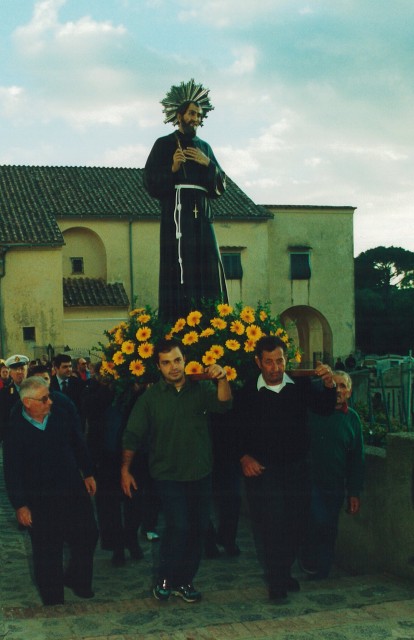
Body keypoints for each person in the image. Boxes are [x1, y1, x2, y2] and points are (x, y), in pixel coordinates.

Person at [121, 338, 232, 603]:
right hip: (167, 475)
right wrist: (125, 470)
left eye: (177, 360)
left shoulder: (201, 389)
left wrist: (223, 378)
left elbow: (224, 404)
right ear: (158, 366)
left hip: (200, 473)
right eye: (166, 362)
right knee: (179, 526)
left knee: (197, 528)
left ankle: (184, 581)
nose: (174, 367)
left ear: (184, 360)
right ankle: (165, 578)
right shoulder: (150, 398)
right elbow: (132, 435)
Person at [238, 335, 337, 602]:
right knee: (271, 525)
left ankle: (282, 570)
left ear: (286, 360)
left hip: (297, 469)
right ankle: (277, 580)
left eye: (279, 361)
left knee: (297, 523)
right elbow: (231, 432)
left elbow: (325, 408)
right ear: (258, 362)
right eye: (268, 362)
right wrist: (244, 457)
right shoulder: (247, 392)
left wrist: (329, 386)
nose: (275, 368)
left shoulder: (301, 386)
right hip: (264, 472)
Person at [3, 376, 98, 605]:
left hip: (72, 490)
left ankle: (79, 580)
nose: (50, 402)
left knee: (88, 535)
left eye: (49, 396)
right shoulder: (15, 430)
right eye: (44, 399)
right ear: (28, 403)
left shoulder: (61, 417)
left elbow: (78, 444)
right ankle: (53, 597)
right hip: (40, 500)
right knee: (47, 549)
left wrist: (88, 472)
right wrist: (20, 505)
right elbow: (12, 471)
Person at [144, 79, 228, 322]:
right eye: (192, 113)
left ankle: (213, 320)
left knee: (209, 263)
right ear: (179, 115)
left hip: (201, 214)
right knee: (179, 267)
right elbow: (150, 181)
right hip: (176, 216)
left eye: (199, 115)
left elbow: (221, 184)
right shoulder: (163, 144)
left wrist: (207, 163)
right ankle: (178, 322)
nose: (196, 119)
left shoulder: (205, 148)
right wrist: (172, 167)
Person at [300, 371, 364, 579]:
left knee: (329, 527)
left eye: (343, 386)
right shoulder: (314, 412)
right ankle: (308, 559)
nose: (339, 390)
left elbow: (356, 458)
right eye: (335, 385)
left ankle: (322, 570)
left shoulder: (352, 419)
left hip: (336, 484)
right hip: (311, 482)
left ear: (350, 392)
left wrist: (354, 492)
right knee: (317, 521)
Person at [49, 353, 86, 425]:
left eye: (70, 366)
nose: (69, 369)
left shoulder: (78, 383)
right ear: (56, 368)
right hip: (55, 424)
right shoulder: (50, 384)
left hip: (73, 424)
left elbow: (81, 407)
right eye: (65, 367)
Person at [0, 354, 29, 442]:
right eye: (15, 369)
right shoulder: (4, 393)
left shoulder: (35, 390)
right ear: (10, 373)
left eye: (22, 368)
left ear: (27, 371)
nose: (19, 372)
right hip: (13, 439)